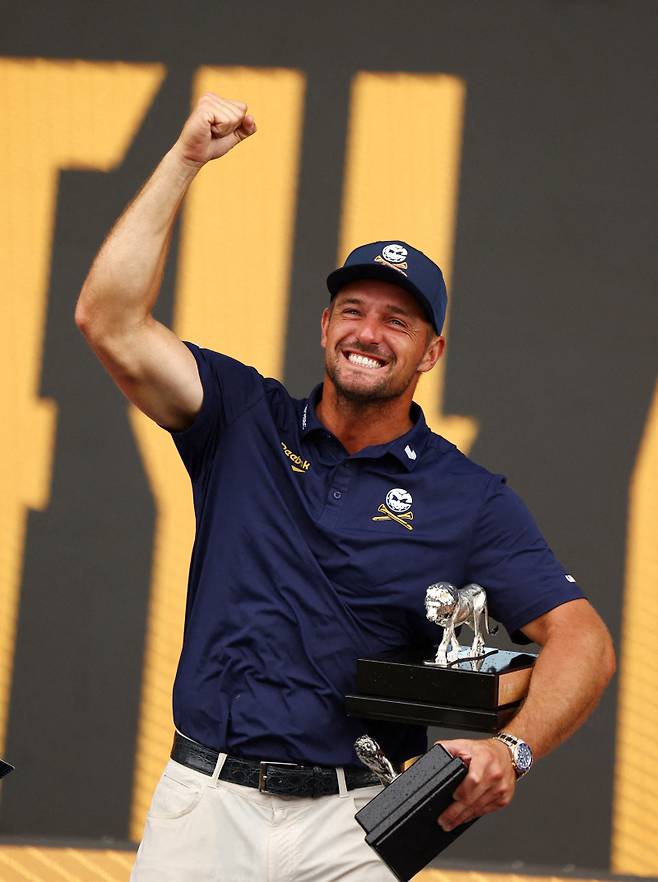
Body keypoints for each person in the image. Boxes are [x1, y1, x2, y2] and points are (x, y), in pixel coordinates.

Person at [75, 94, 615, 882]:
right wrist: (184, 158)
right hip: (205, 802)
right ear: (324, 327)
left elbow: (585, 641)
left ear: (432, 352)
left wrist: (514, 747)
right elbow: (109, 319)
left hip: (355, 823)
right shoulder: (243, 418)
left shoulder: (468, 495)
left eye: (398, 322)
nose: (370, 332)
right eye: (354, 310)